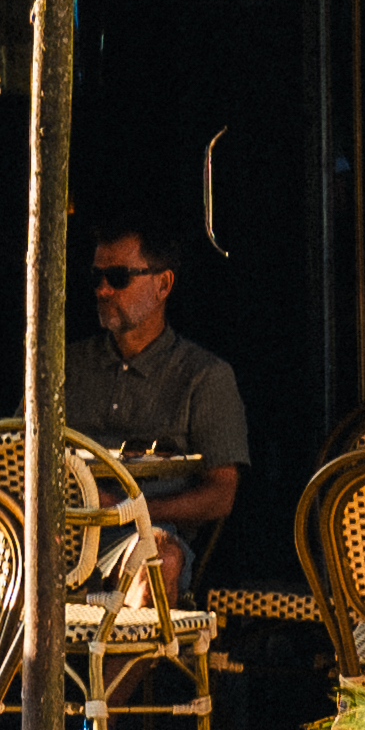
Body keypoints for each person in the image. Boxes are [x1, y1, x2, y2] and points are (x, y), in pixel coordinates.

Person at [67, 229, 249, 587]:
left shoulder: (204, 376)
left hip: (141, 534)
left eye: (118, 278)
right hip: (59, 530)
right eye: (96, 278)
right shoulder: (65, 365)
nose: (103, 290)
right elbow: (12, 449)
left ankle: (133, 643)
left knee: (159, 562)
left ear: (163, 285)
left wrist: (124, 511)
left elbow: (221, 495)